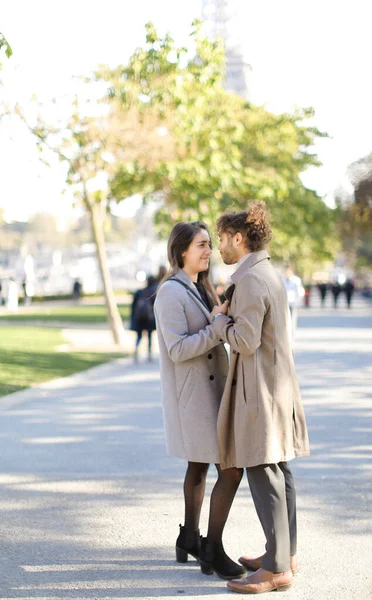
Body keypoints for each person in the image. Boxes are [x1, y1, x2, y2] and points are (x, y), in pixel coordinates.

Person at [209, 201, 310, 594]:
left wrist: (220, 322)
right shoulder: (267, 273)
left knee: (262, 470)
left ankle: (274, 570)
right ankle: (284, 554)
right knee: (279, 471)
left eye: (222, 239)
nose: (220, 246)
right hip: (276, 386)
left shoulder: (250, 279)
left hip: (260, 392)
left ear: (239, 238)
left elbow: (246, 340)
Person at [154, 221, 246, 581]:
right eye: (202, 245)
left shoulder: (198, 286)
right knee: (230, 468)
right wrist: (214, 327)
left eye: (209, 244)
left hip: (209, 391)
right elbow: (177, 349)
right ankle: (212, 546)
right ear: (181, 251)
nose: (209, 251)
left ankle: (189, 537)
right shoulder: (169, 293)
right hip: (194, 395)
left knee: (199, 466)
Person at [131, 275, 158, 362]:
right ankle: (149, 354)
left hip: (139, 319)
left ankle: (136, 350)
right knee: (149, 336)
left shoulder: (139, 292)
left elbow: (133, 306)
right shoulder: (153, 293)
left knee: (139, 336)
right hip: (149, 319)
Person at [282, 265, 304, 338]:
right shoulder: (281, 279)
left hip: (292, 303)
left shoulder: (296, 280)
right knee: (284, 321)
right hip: (284, 304)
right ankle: (285, 336)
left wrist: (298, 301)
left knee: (292, 320)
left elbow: (300, 291)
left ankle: (291, 336)